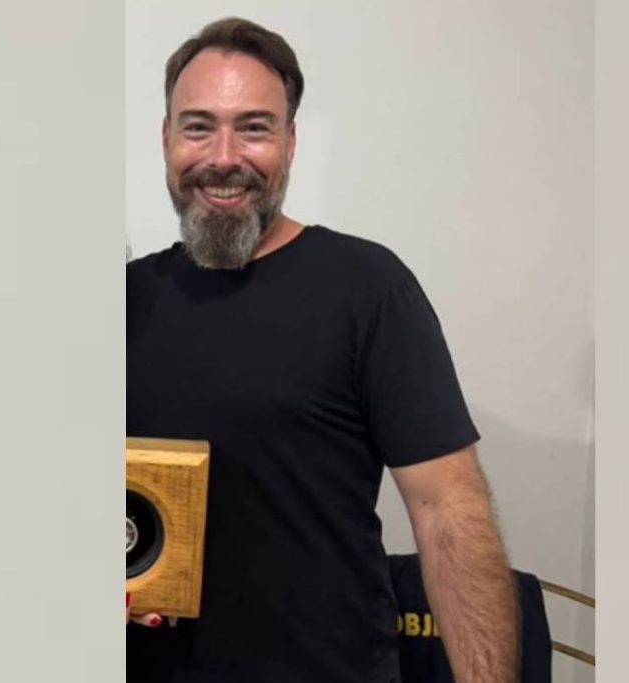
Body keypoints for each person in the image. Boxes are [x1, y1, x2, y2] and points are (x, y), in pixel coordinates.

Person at [127, 17, 519, 683]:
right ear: (167, 137)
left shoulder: (368, 289)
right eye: (198, 126)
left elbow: (446, 508)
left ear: (290, 142)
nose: (223, 156)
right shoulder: (123, 299)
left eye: (254, 127)